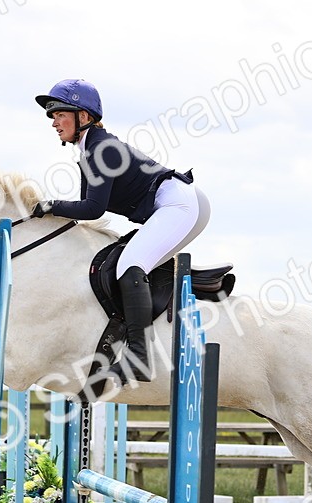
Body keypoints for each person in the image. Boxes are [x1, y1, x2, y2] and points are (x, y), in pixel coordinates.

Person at [32, 78, 210, 387]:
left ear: (83, 117)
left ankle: (138, 357)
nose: (54, 122)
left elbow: (92, 209)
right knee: (125, 260)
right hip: (174, 204)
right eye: (52, 115)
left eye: (60, 113)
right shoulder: (90, 150)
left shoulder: (102, 150)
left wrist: (51, 206)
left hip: (180, 205)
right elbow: (87, 208)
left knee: (130, 266)